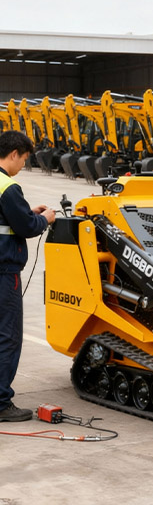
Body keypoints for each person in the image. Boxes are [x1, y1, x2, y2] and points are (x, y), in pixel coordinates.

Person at [0, 131, 55, 422]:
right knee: (8, 337)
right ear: (14, 154)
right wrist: (43, 219)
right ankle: (1, 404)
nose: (22, 165)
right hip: (4, 272)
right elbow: (25, 227)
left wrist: (27, 212)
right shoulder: (8, 187)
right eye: (23, 160)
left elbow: (10, 218)